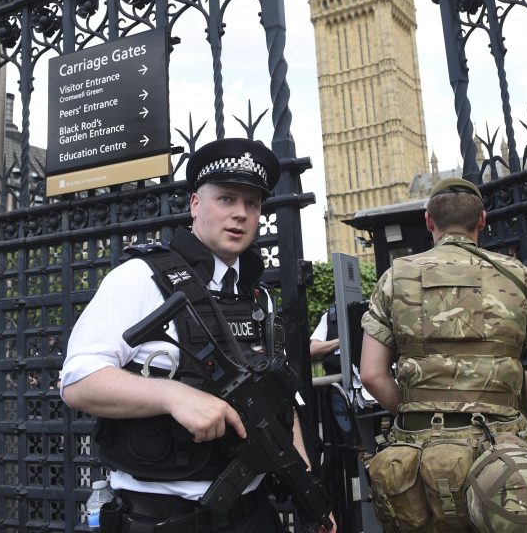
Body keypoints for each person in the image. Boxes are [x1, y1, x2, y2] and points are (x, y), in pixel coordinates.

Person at [61, 137, 334, 533]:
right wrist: (173, 395)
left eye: (252, 203)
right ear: (195, 205)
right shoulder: (141, 278)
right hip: (164, 517)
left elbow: (280, 402)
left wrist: (308, 489)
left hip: (253, 514)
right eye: (226, 199)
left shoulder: (259, 298)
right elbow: (78, 381)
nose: (240, 214)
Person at [360, 177, 527, 532]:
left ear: (429, 221)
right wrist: (504, 396)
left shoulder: (395, 277)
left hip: (419, 461)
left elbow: (371, 374)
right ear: (482, 221)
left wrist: (418, 405)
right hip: (506, 455)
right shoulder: (520, 276)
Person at [309, 307, 341, 375]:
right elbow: (313, 348)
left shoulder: (366, 314)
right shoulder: (329, 316)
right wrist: (342, 341)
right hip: (335, 378)